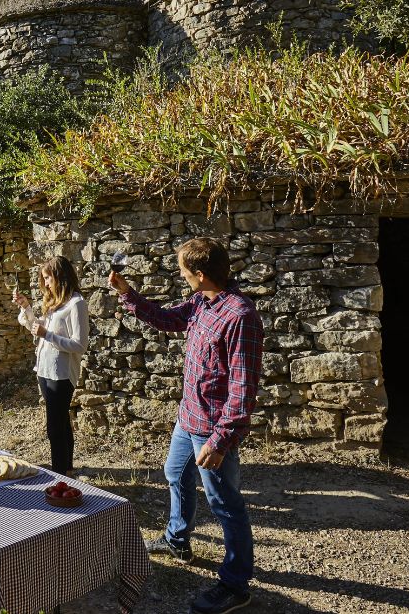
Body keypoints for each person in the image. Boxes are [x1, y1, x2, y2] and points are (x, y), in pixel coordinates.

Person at [110, 237, 263, 614]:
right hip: (188, 417)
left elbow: (243, 390)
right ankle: (178, 539)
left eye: (183, 270)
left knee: (224, 503)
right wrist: (128, 293)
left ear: (200, 273)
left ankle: (236, 583)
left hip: (211, 429)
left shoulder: (239, 316)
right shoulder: (200, 302)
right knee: (174, 473)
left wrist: (222, 439)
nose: (180, 275)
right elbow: (166, 319)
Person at [15, 256, 89, 475]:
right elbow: (36, 328)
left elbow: (79, 344)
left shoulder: (77, 304)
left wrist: (47, 334)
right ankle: (66, 469)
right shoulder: (55, 303)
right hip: (44, 370)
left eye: (48, 278)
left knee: (54, 427)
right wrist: (26, 308)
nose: (45, 283)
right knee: (61, 422)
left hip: (62, 373)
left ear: (60, 277)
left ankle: (59, 474)